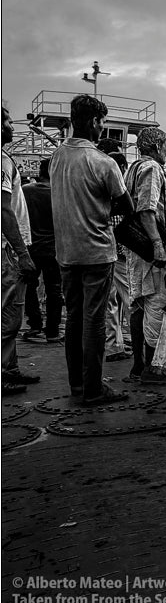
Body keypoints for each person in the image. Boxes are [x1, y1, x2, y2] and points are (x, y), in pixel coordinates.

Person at [49, 95, 130, 405]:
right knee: (94, 321)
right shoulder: (102, 162)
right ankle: (94, 388)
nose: (102, 128)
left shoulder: (57, 157)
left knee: (74, 319)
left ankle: (77, 385)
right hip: (97, 252)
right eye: (102, 122)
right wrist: (108, 218)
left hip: (66, 253)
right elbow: (126, 204)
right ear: (95, 122)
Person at [126, 127, 166, 384]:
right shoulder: (151, 169)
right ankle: (154, 368)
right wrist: (159, 245)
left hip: (138, 250)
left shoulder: (132, 167)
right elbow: (146, 209)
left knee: (139, 303)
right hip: (152, 251)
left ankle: (139, 366)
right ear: (158, 147)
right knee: (158, 303)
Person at [2, 105, 40, 395]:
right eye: (6, 123)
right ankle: (4, 373)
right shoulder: (2, 161)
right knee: (9, 316)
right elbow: (4, 210)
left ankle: (10, 368)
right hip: (8, 251)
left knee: (10, 313)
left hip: (8, 249)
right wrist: (22, 253)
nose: (11, 128)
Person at [97, 143, 132, 364]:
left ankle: (113, 345)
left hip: (104, 249)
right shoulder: (114, 183)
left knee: (110, 303)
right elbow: (126, 209)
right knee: (129, 300)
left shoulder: (97, 180)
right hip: (118, 253)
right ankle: (137, 343)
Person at [22, 159, 63, 345]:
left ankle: (35, 325)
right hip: (54, 249)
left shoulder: (26, 191)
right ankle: (53, 331)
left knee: (29, 287)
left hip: (31, 247)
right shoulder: (60, 194)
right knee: (54, 289)